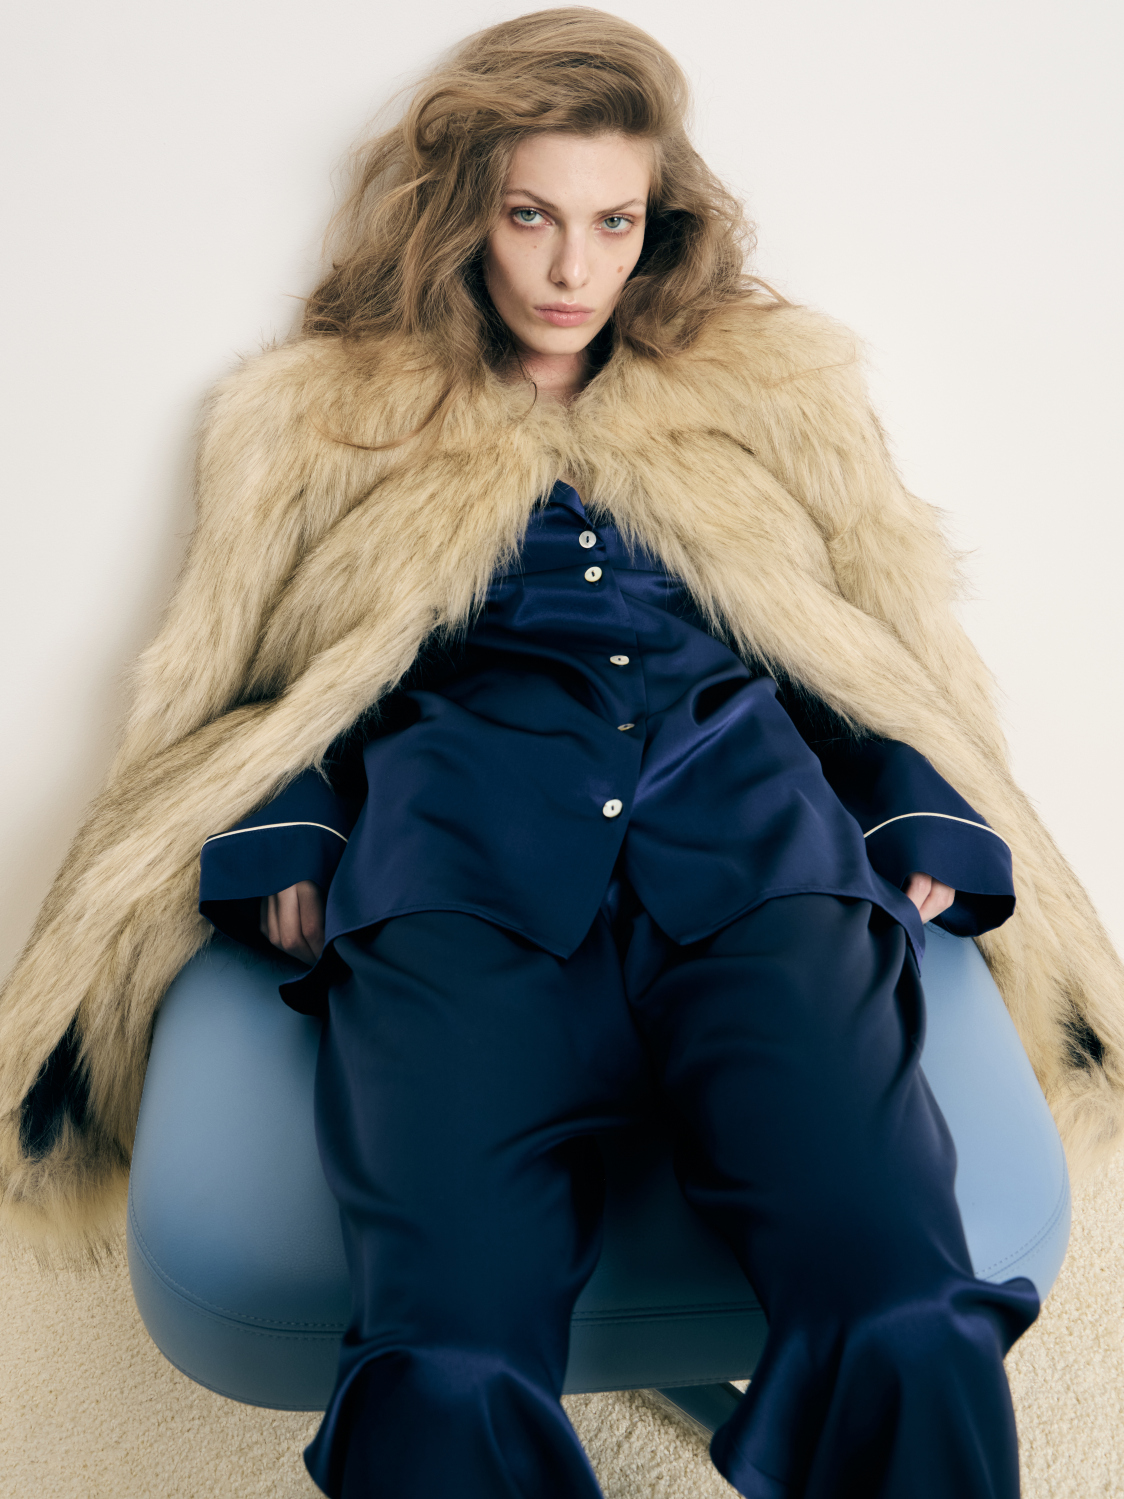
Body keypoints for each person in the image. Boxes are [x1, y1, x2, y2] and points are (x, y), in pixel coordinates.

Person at [2, 8, 1121, 1498]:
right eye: (531, 216)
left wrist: (916, 804)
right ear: (464, 210)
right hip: (454, 878)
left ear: (660, 225)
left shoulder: (774, 390)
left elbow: (869, 643)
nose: (571, 269)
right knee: (446, 1360)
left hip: (757, 861)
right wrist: (290, 828)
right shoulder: (321, 419)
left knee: (905, 1309)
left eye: (613, 222)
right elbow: (253, 684)